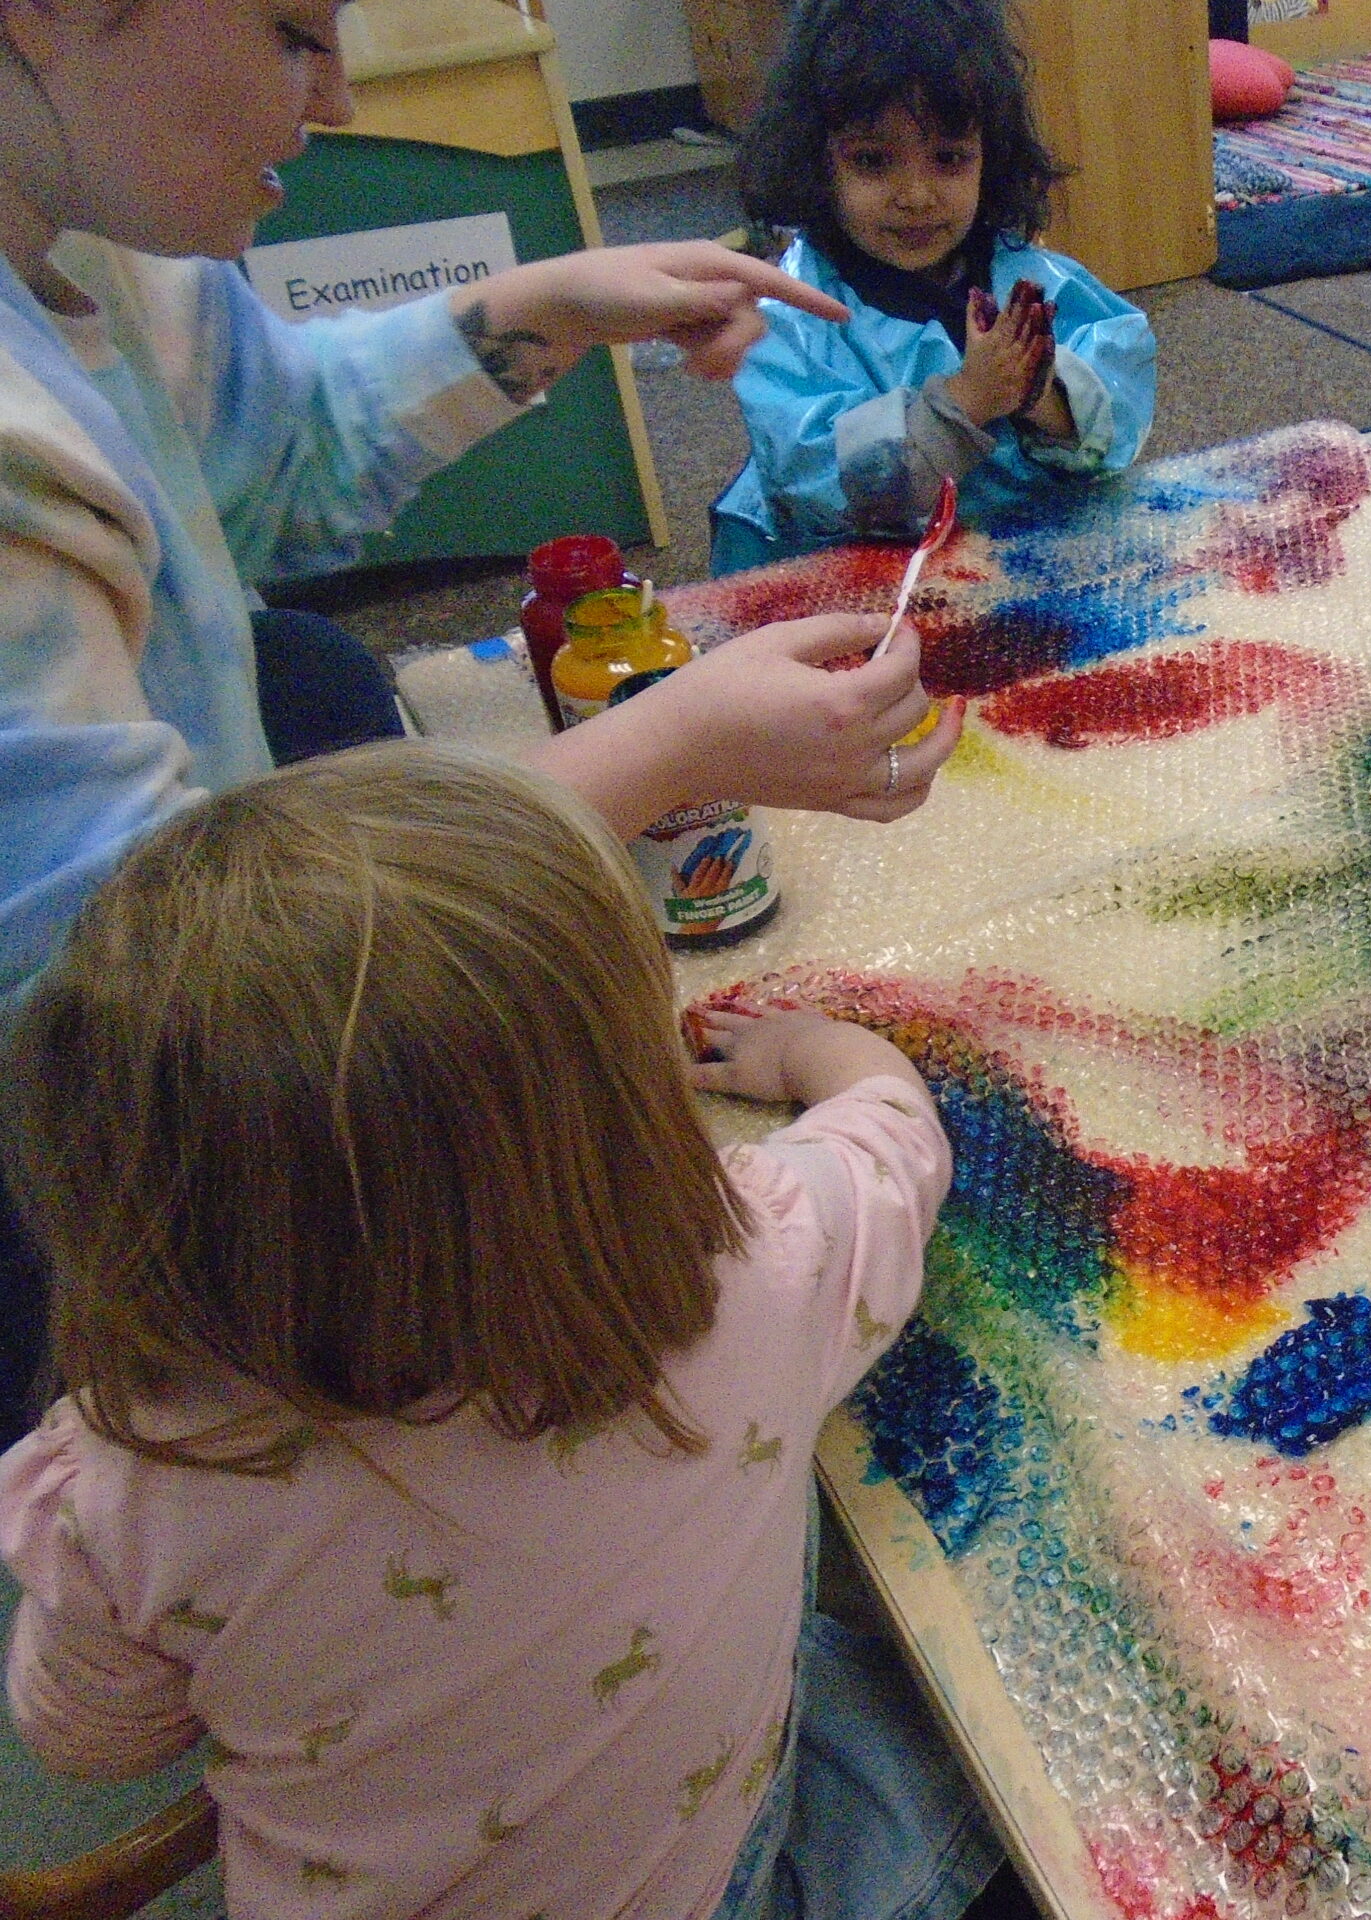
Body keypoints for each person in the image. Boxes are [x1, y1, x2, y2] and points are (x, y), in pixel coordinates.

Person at [0, 0, 968, 1439]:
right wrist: (671, 747)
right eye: (289, 32)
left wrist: (546, 308)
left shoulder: (86, 216)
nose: (335, 100)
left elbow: (281, 456)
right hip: (95, 1156)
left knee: (311, 673)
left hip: (183, 945)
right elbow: (157, 986)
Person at [0, 742, 1007, 1919]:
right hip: (702, 1884)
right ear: (628, 1110)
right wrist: (816, 1052)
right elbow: (897, 1140)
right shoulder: (757, 1268)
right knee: (977, 1731)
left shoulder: (124, 1485)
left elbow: (88, 1741)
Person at [711, 0, 1157, 572]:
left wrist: (1040, 390)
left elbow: (1122, 387)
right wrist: (964, 403)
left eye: (949, 159)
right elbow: (811, 475)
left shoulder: (1029, 277)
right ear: (816, 162)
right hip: (848, 571)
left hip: (1007, 555)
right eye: (873, 162)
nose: (916, 196)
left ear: (990, 157)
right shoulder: (793, 312)